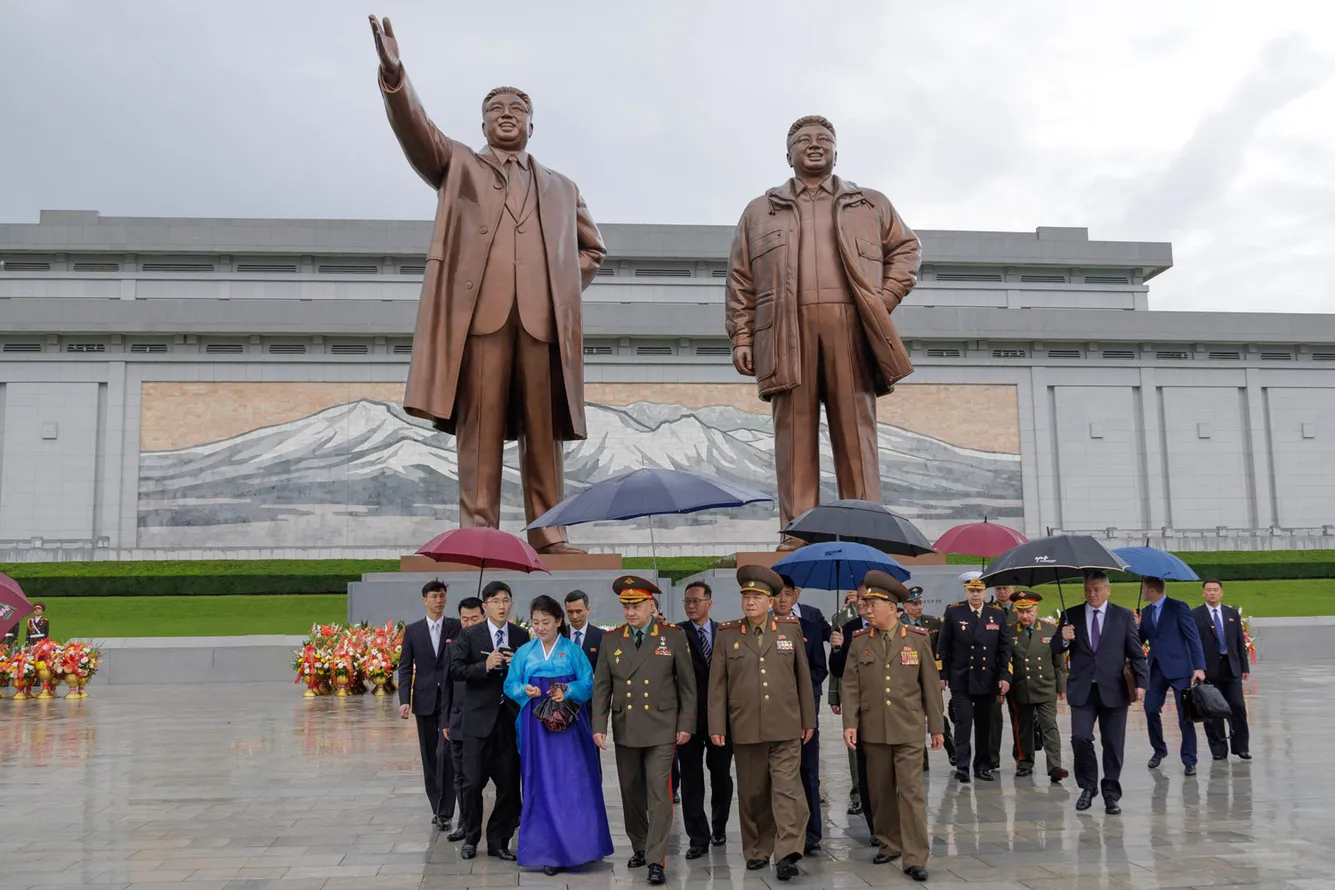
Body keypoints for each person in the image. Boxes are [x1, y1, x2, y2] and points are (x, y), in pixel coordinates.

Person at [368, 16, 606, 556]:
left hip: (542, 325)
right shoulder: (458, 167)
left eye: (516, 110)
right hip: (481, 321)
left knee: (544, 435)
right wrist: (395, 77)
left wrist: (564, 284)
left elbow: (592, 250)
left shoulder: (562, 187)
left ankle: (550, 534)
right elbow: (417, 132)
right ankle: (480, 533)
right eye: (495, 110)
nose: (506, 116)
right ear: (481, 123)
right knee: (481, 428)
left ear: (531, 124)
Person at [724, 115, 921, 551]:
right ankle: (798, 532)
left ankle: (869, 531)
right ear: (788, 153)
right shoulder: (761, 209)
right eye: (804, 140)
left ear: (836, 150)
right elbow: (740, 278)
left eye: (824, 140)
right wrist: (741, 336)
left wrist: (882, 301)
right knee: (792, 437)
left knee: (856, 432)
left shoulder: (870, 204)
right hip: (784, 332)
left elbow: (906, 249)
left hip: (851, 328)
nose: (814, 146)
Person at [709, 565, 816, 882]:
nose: (750, 602)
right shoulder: (728, 635)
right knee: (753, 793)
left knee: (787, 790)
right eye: (746, 596)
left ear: (771, 601)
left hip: (785, 724)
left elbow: (802, 678)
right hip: (746, 726)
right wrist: (717, 726)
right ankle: (757, 849)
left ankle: (787, 854)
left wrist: (808, 719)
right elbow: (717, 685)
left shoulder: (789, 629)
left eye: (757, 596)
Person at [591, 576, 696, 886]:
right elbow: (602, 688)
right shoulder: (612, 641)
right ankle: (639, 844)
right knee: (631, 792)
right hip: (627, 726)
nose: (630, 612)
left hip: (662, 727)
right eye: (625, 606)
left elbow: (688, 686)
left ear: (652, 605)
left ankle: (656, 858)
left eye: (636, 605)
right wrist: (599, 726)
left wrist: (686, 723)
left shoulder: (673, 637)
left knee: (659, 794)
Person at [840, 571, 944, 883]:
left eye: (873, 604)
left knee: (911, 793)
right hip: (873, 729)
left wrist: (936, 727)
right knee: (881, 792)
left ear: (892, 607)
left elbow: (931, 685)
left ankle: (915, 857)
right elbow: (850, 686)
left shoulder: (917, 639)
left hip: (909, 728)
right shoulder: (860, 642)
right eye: (866, 604)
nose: (867, 610)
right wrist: (850, 723)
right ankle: (889, 842)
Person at [503, 595, 613, 876]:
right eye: (536, 622)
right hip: (535, 726)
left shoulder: (572, 651)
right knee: (540, 783)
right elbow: (510, 683)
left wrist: (568, 690)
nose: (540, 627)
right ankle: (548, 851)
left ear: (559, 621)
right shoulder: (525, 652)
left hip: (569, 726)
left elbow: (589, 682)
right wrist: (522, 690)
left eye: (546, 622)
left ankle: (580, 848)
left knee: (573, 782)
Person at [1051, 571, 1149, 814]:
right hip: (1083, 689)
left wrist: (1142, 683)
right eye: (1087, 589)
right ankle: (1087, 786)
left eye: (1096, 589)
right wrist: (1063, 638)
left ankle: (1111, 794)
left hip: (1114, 689)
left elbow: (1136, 653)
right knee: (1080, 738)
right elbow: (1054, 647)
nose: (1091, 594)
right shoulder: (1070, 615)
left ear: (1107, 590)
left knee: (1113, 744)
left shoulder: (1123, 616)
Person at [449, 580, 530, 859]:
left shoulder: (520, 636)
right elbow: (456, 670)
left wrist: (516, 663)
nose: (501, 606)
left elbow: (530, 672)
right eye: (495, 601)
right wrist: (484, 665)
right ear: (485, 606)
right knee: (473, 783)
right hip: (477, 722)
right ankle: (471, 836)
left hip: (508, 722)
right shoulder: (470, 635)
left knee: (508, 786)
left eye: (506, 600)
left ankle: (499, 840)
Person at [397, 580, 462, 829]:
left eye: (442, 595)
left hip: (449, 699)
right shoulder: (413, 631)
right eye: (434, 596)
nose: (439, 600)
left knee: (445, 753)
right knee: (429, 755)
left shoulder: (455, 627)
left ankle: (447, 810)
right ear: (424, 600)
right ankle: (437, 806)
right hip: (424, 699)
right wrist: (405, 700)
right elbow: (405, 668)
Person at [676, 581, 733, 857]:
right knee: (691, 777)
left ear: (709, 603)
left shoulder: (726, 633)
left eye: (696, 601)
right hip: (688, 719)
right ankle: (698, 837)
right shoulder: (676, 633)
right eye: (687, 601)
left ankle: (719, 826)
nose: (690, 606)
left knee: (721, 775)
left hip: (720, 719)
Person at [773, 575, 829, 855]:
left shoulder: (808, 624)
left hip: (806, 708)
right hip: (774, 710)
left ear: (795, 595)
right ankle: (782, 831)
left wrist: (800, 690)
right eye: (777, 594)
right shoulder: (762, 627)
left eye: (786, 594)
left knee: (808, 770)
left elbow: (820, 668)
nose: (782, 600)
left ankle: (812, 833)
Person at [937, 576, 1011, 783]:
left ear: (986, 593)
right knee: (963, 723)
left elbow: (1005, 649)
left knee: (984, 725)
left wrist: (1005, 676)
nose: (975, 595)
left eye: (979, 591)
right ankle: (962, 766)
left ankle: (982, 766)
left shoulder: (996, 614)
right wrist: (942, 675)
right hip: (961, 678)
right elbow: (943, 646)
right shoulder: (954, 612)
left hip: (987, 679)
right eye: (972, 591)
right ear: (966, 592)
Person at [1138, 576, 1206, 775]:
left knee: (1185, 716)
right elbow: (1139, 639)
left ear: (1152, 590)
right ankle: (1159, 750)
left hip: (1180, 669)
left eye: (1143, 589)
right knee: (1150, 709)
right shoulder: (1147, 611)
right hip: (1156, 669)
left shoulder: (1178, 607)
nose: (1141, 592)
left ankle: (1189, 759)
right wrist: (1134, 627)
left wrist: (1199, 667)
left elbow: (1193, 637)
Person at [1005, 592, 1069, 782]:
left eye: (1029, 611)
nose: (1025, 616)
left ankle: (1055, 766)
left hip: (1045, 685)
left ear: (1036, 610)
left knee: (1049, 725)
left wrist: (1061, 686)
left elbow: (1059, 661)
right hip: (1020, 686)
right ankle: (1024, 762)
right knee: (1023, 726)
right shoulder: (1009, 631)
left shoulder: (1049, 629)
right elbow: (1005, 660)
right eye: (1021, 611)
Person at [829, 583, 875, 837]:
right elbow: (837, 670)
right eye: (858, 598)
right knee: (856, 752)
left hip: (884, 705)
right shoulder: (848, 628)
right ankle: (859, 793)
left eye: (866, 598)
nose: (861, 602)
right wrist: (836, 648)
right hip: (856, 703)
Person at [441, 596, 485, 842]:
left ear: (484, 616)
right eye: (464, 619)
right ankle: (464, 822)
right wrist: (445, 721)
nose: (468, 624)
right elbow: (446, 687)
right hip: (458, 720)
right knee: (460, 777)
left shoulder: (490, 646)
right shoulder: (452, 647)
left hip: (483, 719)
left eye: (474, 619)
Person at [1192, 580, 1251, 761]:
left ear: (1221, 592)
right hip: (1209, 670)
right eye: (1208, 590)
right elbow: (1192, 644)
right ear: (1203, 593)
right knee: (1212, 710)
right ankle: (1218, 749)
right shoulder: (1195, 615)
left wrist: (1244, 666)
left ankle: (1241, 747)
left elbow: (1240, 642)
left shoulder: (1231, 613)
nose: (1212, 593)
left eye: (1215, 590)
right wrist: (1196, 667)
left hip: (1231, 667)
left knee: (1238, 707)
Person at [901, 587, 955, 769]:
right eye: (914, 604)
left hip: (930, 676)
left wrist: (941, 675)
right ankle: (921, 760)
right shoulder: (897, 624)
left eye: (920, 603)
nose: (918, 607)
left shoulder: (933, 623)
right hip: (909, 677)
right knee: (913, 718)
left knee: (936, 713)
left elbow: (940, 651)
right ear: (905, 606)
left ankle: (951, 749)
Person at [827, 588, 861, 816]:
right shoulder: (841, 620)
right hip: (850, 691)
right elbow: (836, 667)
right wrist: (834, 695)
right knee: (854, 746)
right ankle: (858, 793)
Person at [987, 584, 1018, 770]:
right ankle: (992, 757)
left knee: (1019, 717)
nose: (1001, 592)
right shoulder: (989, 610)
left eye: (1005, 588)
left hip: (1020, 669)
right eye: (998, 588)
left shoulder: (1021, 608)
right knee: (993, 716)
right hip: (996, 670)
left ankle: (1021, 757)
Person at [563, 590, 605, 671]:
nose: (574, 616)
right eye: (570, 612)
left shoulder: (601, 636)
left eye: (578, 611)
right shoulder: (559, 635)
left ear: (588, 610)